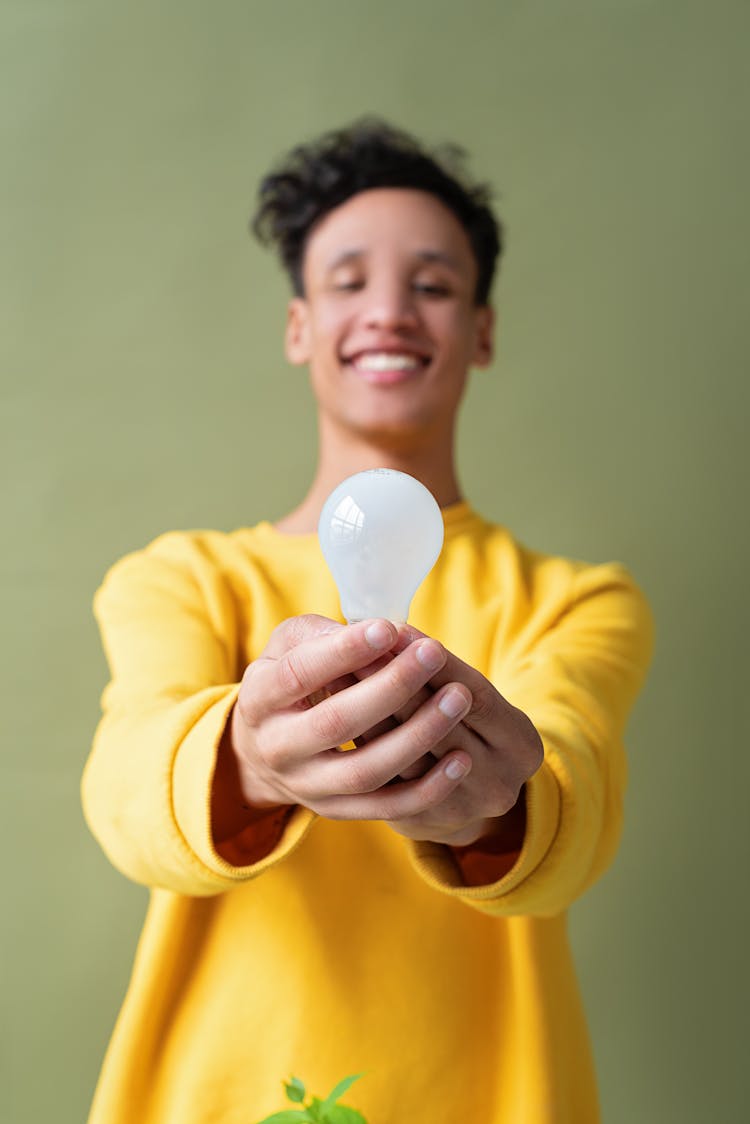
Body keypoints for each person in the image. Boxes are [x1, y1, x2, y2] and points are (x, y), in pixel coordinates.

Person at [82, 120, 653, 1123]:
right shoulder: (180, 578)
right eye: (349, 281)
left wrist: (492, 806)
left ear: (482, 329)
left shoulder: (575, 598)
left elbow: (580, 782)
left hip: (491, 1090)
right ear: (300, 325)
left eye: (432, 284)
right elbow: (129, 780)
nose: (388, 310)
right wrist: (246, 758)